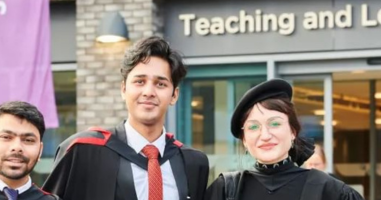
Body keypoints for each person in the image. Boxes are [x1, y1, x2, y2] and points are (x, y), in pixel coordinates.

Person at [42, 36, 210, 200]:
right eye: (140, 81)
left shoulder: (193, 163)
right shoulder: (83, 151)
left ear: (174, 95)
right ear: (123, 89)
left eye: (160, 84)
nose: (149, 92)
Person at [205, 79, 364, 200]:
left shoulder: (328, 190)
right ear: (245, 140)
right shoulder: (225, 190)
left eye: (274, 124)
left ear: (293, 132)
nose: (265, 135)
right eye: (253, 127)